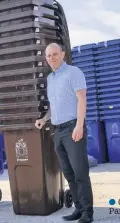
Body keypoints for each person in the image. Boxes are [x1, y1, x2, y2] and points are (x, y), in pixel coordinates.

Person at [35, 43, 94, 223]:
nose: (52, 58)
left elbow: (82, 99)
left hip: (72, 128)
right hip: (58, 131)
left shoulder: (73, 72)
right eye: (48, 55)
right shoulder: (51, 78)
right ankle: (78, 208)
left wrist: (79, 125)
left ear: (63, 54)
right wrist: (44, 119)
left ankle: (87, 213)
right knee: (68, 173)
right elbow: (55, 106)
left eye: (55, 54)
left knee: (80, 172)